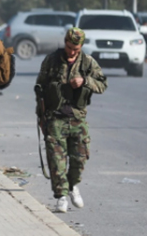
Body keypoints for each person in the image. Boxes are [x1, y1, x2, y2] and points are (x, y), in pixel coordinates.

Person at [35, 28, 107, 213]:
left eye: (75, 48)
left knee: (79, 158)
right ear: (65, 42)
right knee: (56, 161)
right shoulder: (51, 60)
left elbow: (102, 85)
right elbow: (40, 88)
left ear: (81, 46)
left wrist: (85, 82)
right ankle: (61, 197)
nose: (71, 52)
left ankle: (73, 185)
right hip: (55, 118)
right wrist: (41, 117)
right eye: (69, 47)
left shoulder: (88, 62)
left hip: (77, 118)